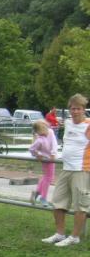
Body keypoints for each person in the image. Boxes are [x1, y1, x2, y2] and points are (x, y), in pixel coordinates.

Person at [42, 94, 90, 247]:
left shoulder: (88, 124)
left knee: (80, 205)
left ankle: (74, 237)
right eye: (73, 108)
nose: (75, 111)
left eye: (78, 109)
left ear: (83, 109)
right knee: (58, 202)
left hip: (81, 170)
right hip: (66, 168)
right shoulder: (68, 123)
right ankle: (60, 234)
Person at [28, 119, 57, 207]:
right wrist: (37, 155)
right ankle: (43, 197)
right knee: (48, 178)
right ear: (38, 132)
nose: (44, 131)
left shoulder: (50, 132)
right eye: (41, 131)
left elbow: (54, 143)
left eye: (45, 128)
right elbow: (31, 149)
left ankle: (37, 193)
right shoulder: (39, 139)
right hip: (45, 160)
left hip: (51, 158)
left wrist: (53, 154)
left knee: (46, 177)